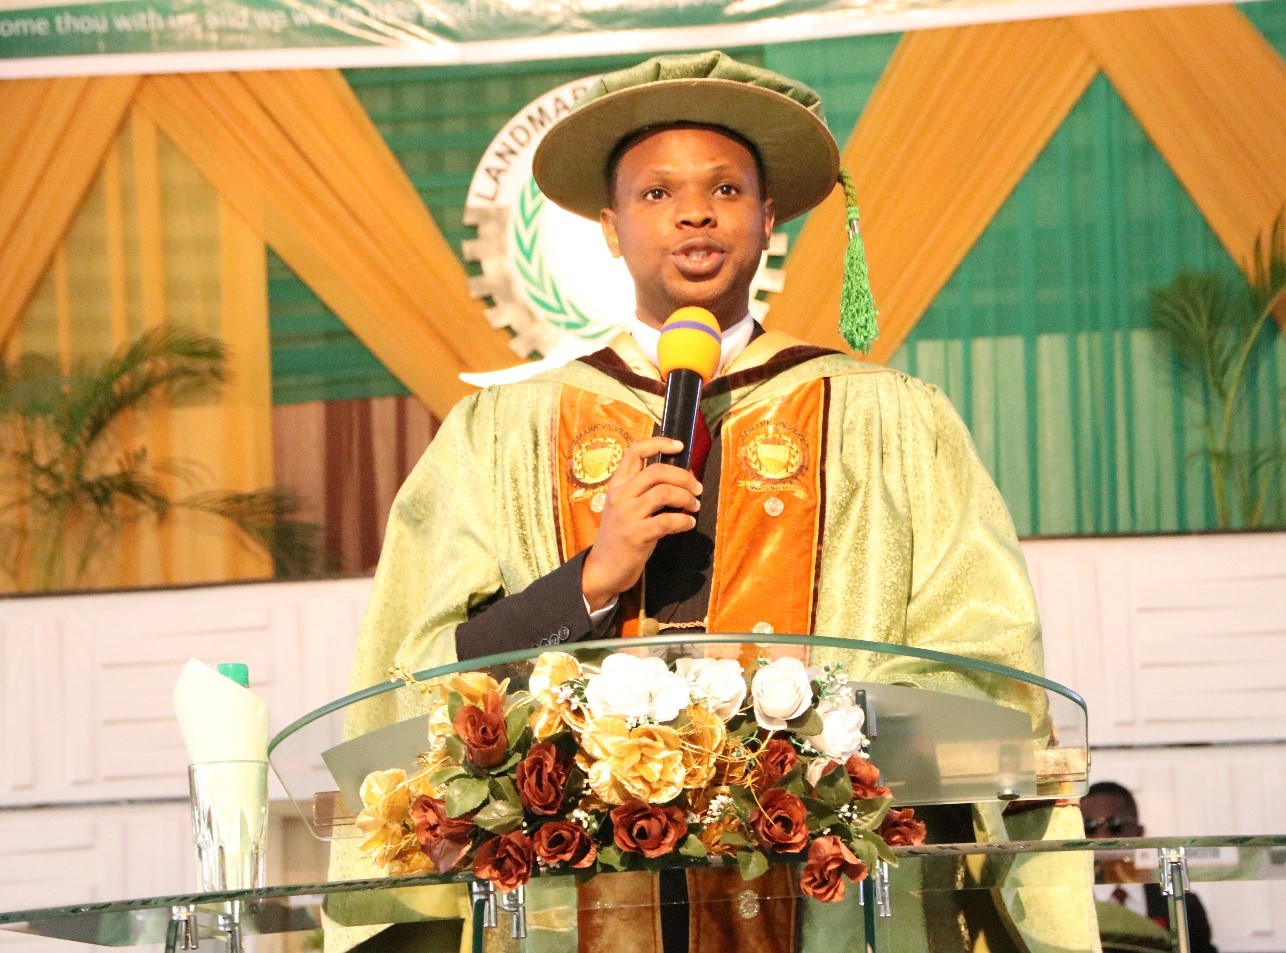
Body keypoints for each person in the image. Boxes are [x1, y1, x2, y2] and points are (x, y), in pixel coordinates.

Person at [334, 51, 1096, 953]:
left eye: (726, 189)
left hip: (830, 911)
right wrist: (589, 581)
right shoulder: (501, 433)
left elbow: (989, 665)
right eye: (656, 195)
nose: (694, 211)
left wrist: (815, 729)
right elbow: (409, 681)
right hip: (566, 910)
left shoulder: (887, 418)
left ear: (768, 219)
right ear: (609, 228)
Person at [1081, 781, 1218, 953]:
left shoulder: (1181, 905)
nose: (1102, 837)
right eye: (1089, 827)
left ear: (1139, 834)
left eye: (1115, 825)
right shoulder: (1064, 904)